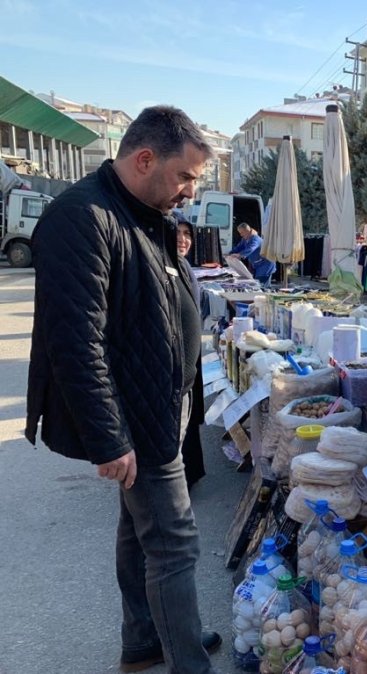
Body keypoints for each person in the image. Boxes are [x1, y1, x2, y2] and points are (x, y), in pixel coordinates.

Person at [26, 105, 222, 673]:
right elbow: (74, 342)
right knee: (175, 542)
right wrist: (109, 439)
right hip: (137, 415)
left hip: (162, 404)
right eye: (185, 176)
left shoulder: (143, 212)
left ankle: (143, 640)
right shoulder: (81, 217)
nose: (189, 191)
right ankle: (188, 663)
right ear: (144, 159)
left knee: (141, 532)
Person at [175, 215, 207, 490]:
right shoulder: (164, 267)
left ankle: (190, 474)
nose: (183, 239)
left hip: (188, 361)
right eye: (177, 232)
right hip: (174, 363)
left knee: (188, 421)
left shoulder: (183, 265)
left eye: (187, 234)